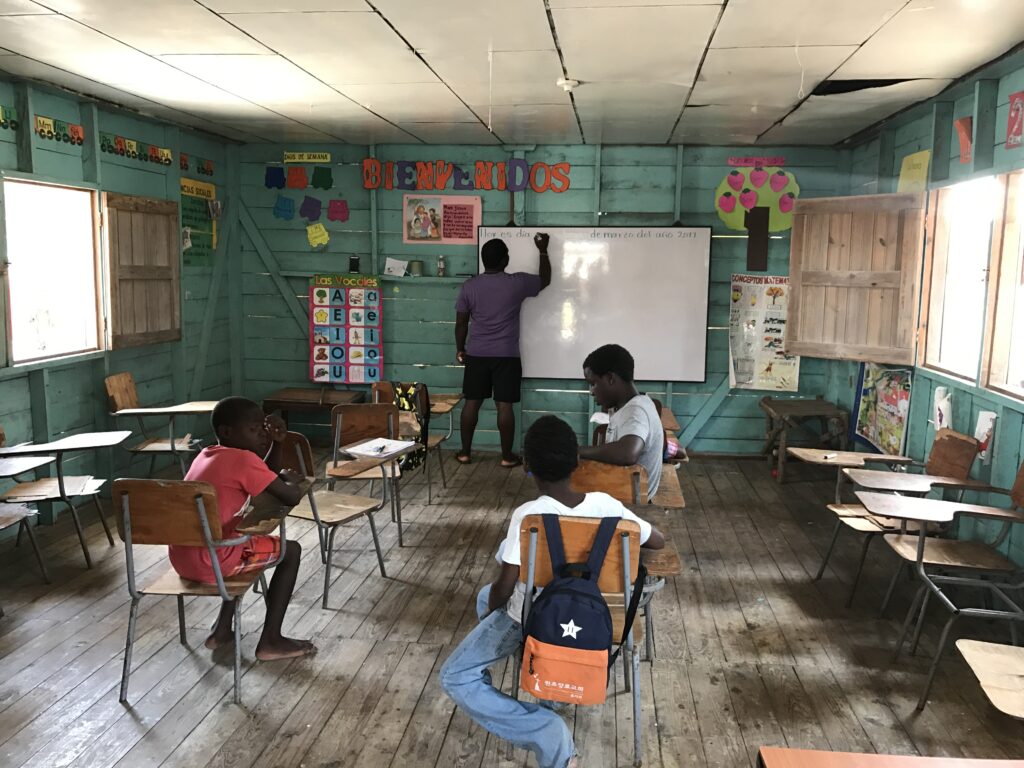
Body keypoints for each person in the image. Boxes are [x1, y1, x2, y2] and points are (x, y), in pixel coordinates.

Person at [440, 415, 664, 768]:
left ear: (528, 466)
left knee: (456, 674)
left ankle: (547, 728)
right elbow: (658, 541)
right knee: (486, 597)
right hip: (601, 624)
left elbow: (505, 586)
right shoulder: (608, 508)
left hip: (536, 619)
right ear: (577, 461)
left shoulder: (529, 516)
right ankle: (547, 684)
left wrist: (490, 617)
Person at [169, 396, 316, 661]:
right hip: (214, 560)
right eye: (253, 429)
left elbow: (265, 477)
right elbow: (289, 496)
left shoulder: (206, 454)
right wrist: (291, 482)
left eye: (264, 428)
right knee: (290, 551)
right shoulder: (242, 461)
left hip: (183, 558)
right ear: (226, 431)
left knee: (241, 544)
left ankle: (222, 629)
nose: (262, 434)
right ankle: (271, 640)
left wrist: (277, 445)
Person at [454, 233, 551, 467]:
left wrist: (460, 349)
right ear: (505, 261)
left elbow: (461, 323)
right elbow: (545, 279)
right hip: (506, 355)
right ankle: (507, 457)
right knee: (504, 405)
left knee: (472, 403)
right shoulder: (516, 283)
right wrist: (543, 250)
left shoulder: (469, 286)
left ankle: (465, 452)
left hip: (477, 354)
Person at [578, 344, 664, 501]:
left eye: (593, 384)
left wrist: (578, 451)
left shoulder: (636, 411)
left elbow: (627, 453)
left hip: (633, 499)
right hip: (626, 488)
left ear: (610, 379)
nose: (591, 392)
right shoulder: (625, 407)